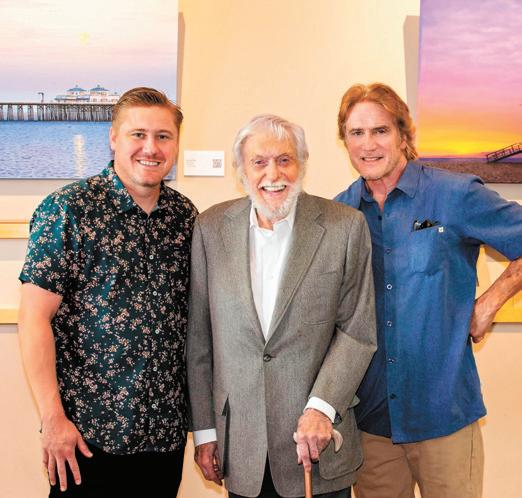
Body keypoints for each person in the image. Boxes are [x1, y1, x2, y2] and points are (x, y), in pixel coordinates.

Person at [335, 82, 522, 498]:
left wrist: (490, 303)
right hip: (371, 425)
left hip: (444, 414)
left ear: (403, 135)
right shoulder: (340, 214)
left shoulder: (454, 195)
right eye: (356, 133)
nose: (368, 144)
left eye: (380, 130)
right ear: (344, 141)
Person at [18, 87, 198, 497]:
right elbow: (33, 319)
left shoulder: (185, 217)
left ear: (176, 144)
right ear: (114, 138)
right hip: (87, 437)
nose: (150, 148)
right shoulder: (69, 209)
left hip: (163, 438)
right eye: (138, 134)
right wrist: (52, 418)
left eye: (163, 136)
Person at [186, 114, 376, 498]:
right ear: (241, 170)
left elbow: (357, 331)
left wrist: (321, 408)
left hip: (317, 445)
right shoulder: (210, 228)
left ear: (301, 164)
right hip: (240, 448)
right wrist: (205, 432)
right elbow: (200, 340)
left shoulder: (345, 226)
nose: (273, 174)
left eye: (285, 160)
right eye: (259, 162)